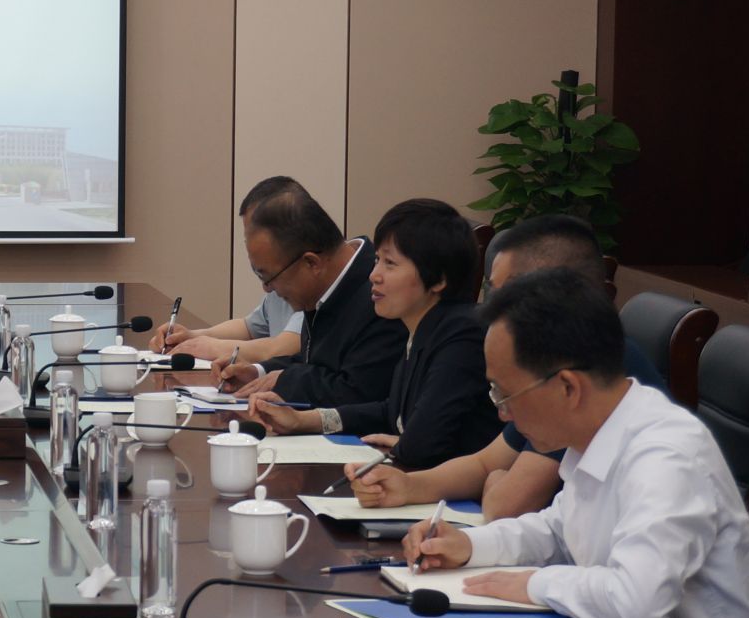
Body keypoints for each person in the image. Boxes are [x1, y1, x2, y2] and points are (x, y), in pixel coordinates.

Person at [404, 269, 749, 618]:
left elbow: (637, 601)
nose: (502, 413)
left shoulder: (666, 454)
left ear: (569, 386)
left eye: (504, 394)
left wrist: (533, 583)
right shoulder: (598, 432)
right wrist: (470, 544)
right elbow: (558, 530)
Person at [349, 214, 665, 517]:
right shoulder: (552, 355)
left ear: (550, 295)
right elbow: (486, 464)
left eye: (501, 295)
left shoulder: (589, 361)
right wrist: (406, 486)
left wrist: (496, 481)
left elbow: (507, 506)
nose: (488, 310)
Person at [250, 198, 501, 470]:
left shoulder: (463, 335)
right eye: (378, 259)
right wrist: (303, 420)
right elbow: (390, 411)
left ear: (439, 279)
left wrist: (404, 444)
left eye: (390, 263)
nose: (374, 275)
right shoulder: (423, 329)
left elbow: (422, 443)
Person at [216, 179, 406, 408]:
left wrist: (285, 381)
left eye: (268, 276)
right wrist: (258, 372)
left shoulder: (380, 295)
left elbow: (359, 391)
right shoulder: (328, 287)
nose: (267, 288)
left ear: (311, 263)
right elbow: (313, 363)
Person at [146, 176, 304, 368]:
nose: (250, 246)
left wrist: (212, 347)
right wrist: (192, 336)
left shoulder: (309, 288)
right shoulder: (277, 279)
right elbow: (249, 328)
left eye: (255, 235)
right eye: (247, 236)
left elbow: (279, 350)